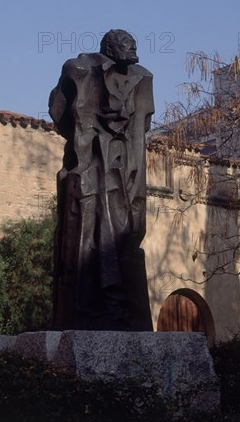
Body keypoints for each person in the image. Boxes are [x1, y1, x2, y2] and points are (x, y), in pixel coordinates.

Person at [49, 29, 154, 331]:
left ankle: (122, 308)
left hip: (126, 171)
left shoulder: (142, 79)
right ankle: (95, 306)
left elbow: (143, 123)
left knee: (125, 234)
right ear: (109, 48)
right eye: (126, 44)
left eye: (134, 44)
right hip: (89, 167)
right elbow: (58, 111)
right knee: (90, 234)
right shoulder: (79, 69)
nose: (132, 48)